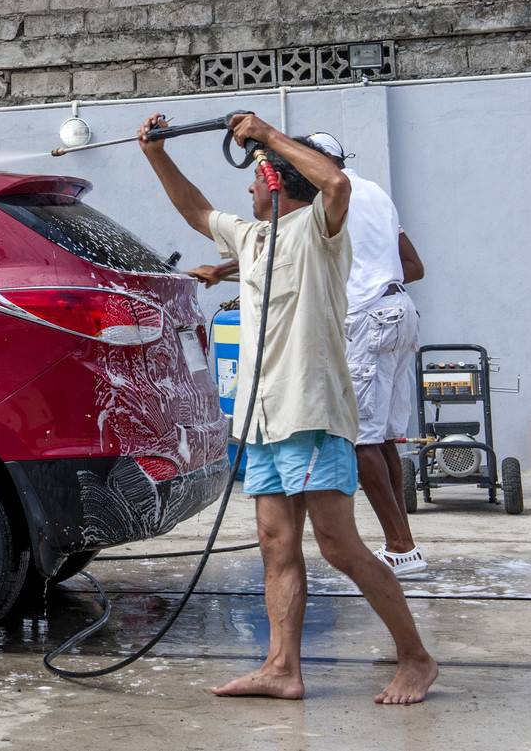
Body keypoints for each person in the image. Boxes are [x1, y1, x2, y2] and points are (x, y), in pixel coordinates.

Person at [141, 112, 436, 706]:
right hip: (264, 419)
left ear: (276, 184)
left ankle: (416, 658)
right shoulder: (252, 240)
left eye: (256, 178)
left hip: (311, 413)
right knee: (276, 545)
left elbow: (336, 185)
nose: (247, 188)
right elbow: (197, 211)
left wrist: (272, 137)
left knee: (339, 547)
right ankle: (281, 667)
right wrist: (156, 155)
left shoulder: (320, 231)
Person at [188, 133, 428, 577]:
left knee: (359, 439)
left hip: (363, 317)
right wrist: (227, 269)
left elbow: (307, 238)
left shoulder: (332, 192)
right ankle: (401, 540)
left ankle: (402, 544)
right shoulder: (374, 190)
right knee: (381, 436)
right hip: (398, 310)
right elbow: (412, 265)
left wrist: (345, 292)